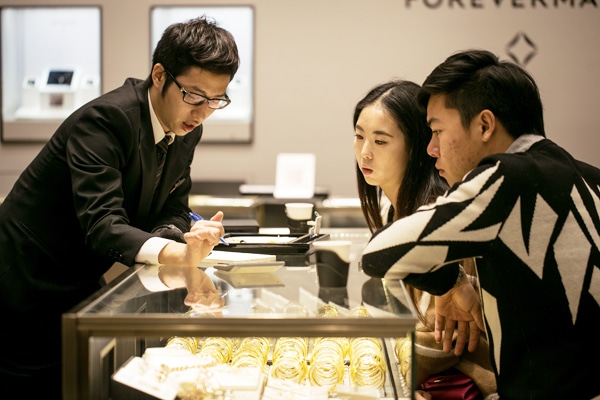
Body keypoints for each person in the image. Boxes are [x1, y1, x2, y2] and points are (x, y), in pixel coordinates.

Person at [0, 16, 239, 396]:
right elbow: (102, 224)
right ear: (159, 75)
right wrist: (177, 254)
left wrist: (184, 237)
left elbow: (174, 206)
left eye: (215, 100)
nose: (201, 113)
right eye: (194, 96)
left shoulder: (186, 130)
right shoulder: (106, 120)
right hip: (25, 278)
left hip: (80, 277)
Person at [360, 49, 600, 400]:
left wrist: (451, 283)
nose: (431, 148)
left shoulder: (504, 178)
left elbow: (379, 254)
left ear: (485, 125)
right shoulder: (591, 177)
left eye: (438, 131)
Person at [353, 80, 497, 399]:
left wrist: (363, 354)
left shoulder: (435, 216)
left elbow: (446, 340)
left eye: (380, 141)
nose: (365, 152)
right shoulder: (392, 208)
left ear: (416, 145)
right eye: (359, 136)